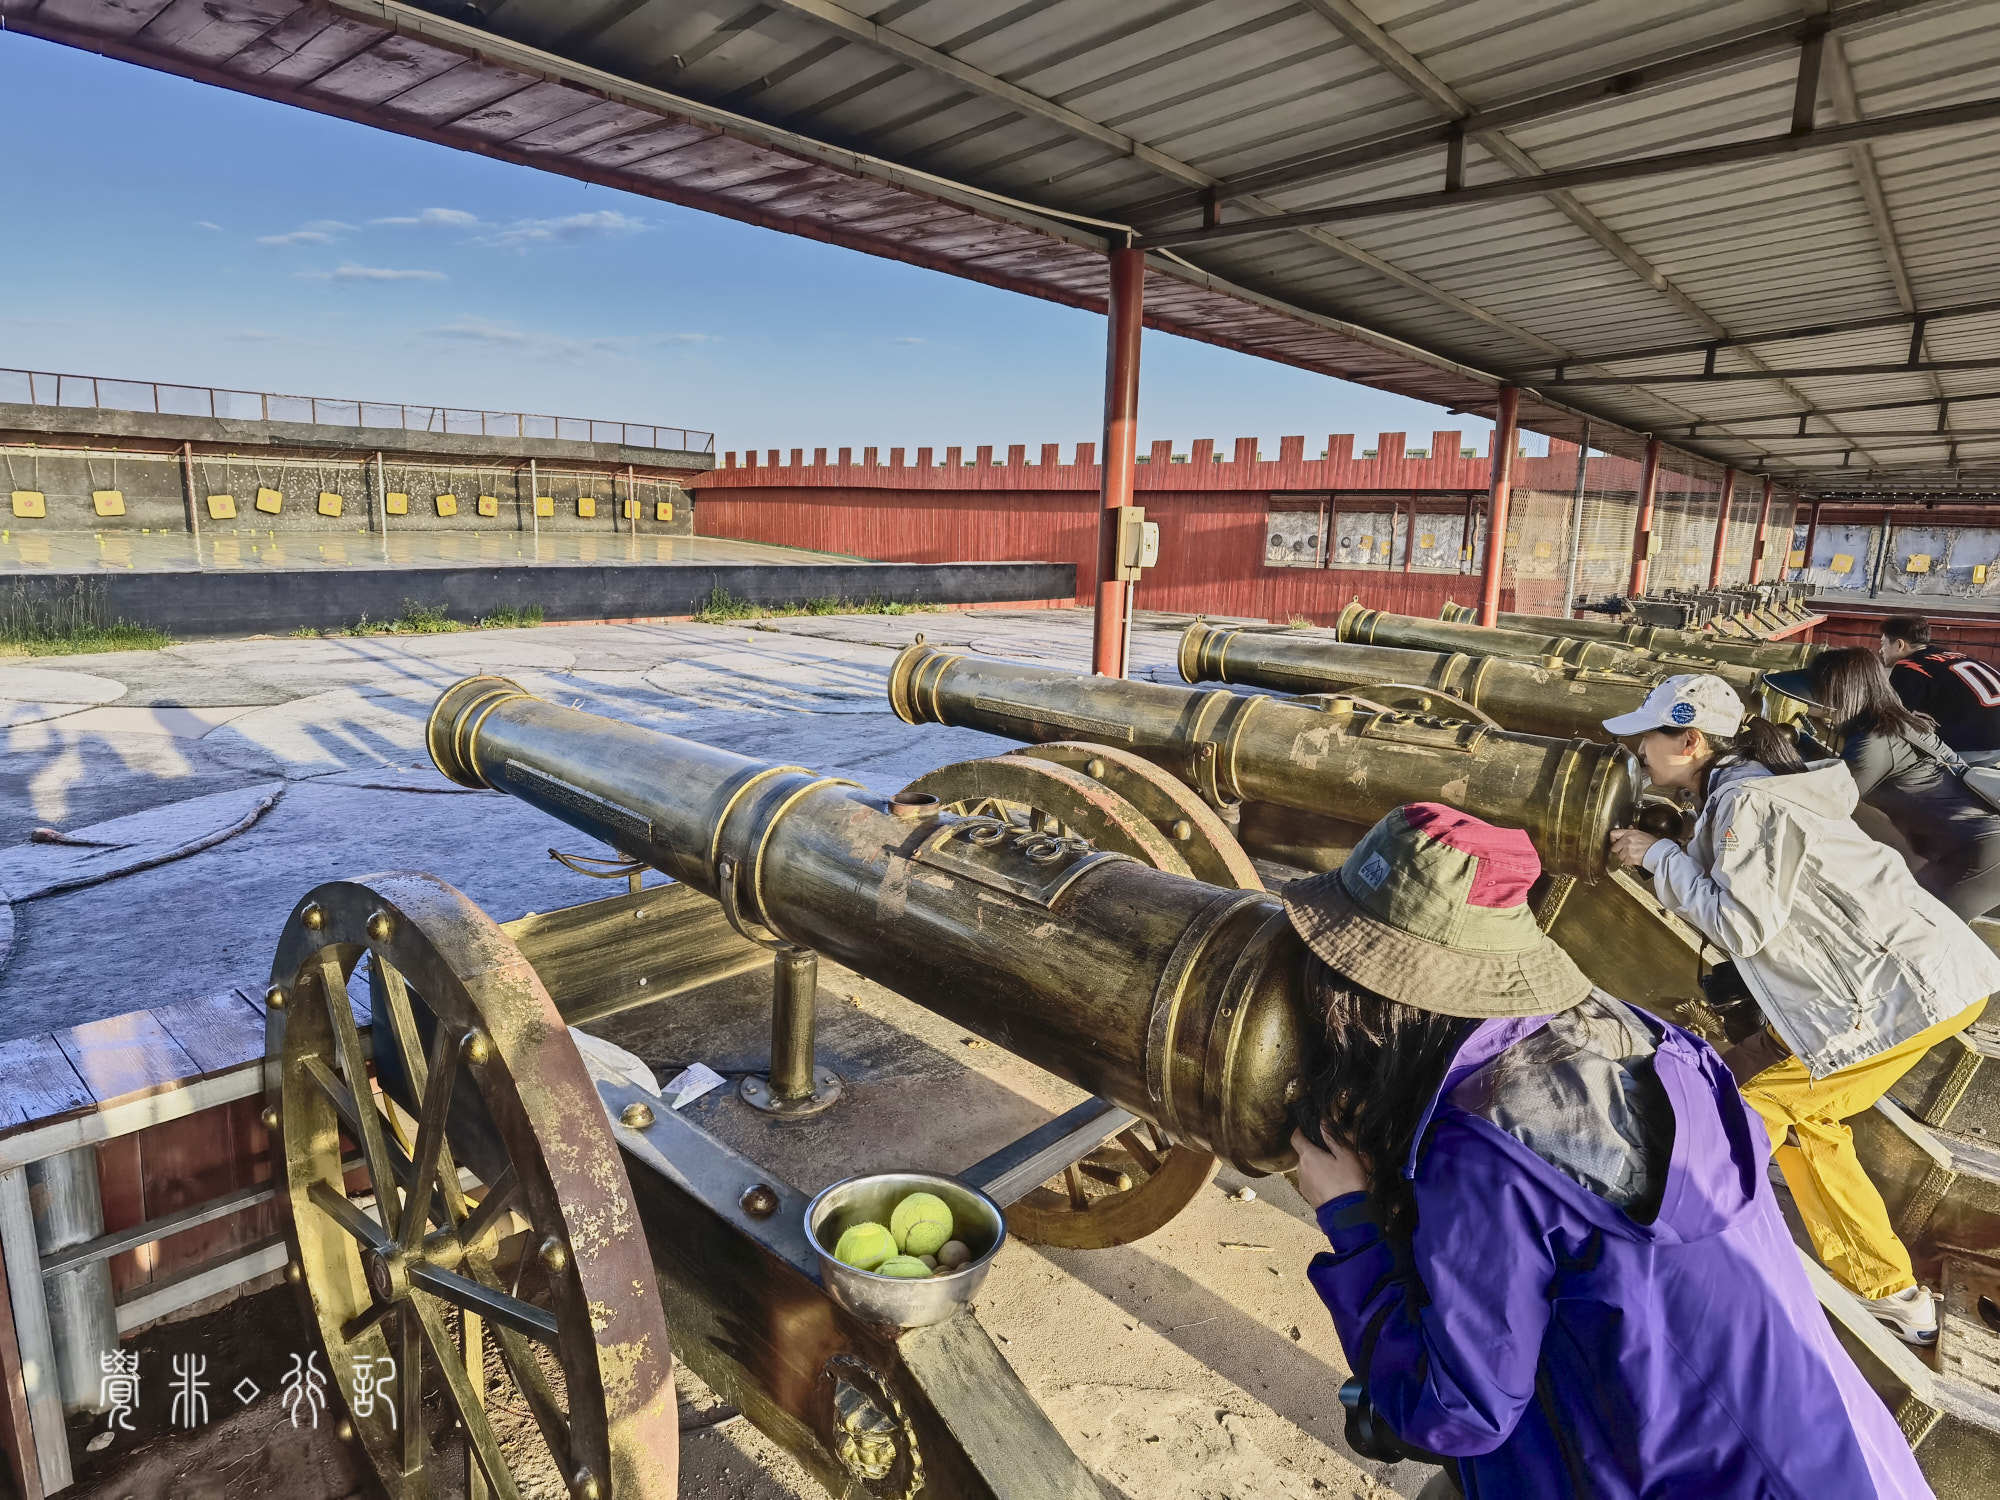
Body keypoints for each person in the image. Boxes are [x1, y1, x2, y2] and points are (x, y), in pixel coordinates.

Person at [1288, 802, 1932, 1500]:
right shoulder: (1637, 1035)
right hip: (1838, 1454)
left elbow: (1457, 1409)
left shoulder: (1482, 1145)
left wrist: (1351, 1219)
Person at [1602, 673, 2000, 1345]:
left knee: (1728, 1110)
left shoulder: (1746, 805)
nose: (1638, 750)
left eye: (1647, 738)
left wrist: (1657, 855)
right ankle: (1892, 1295)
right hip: (1917, 982)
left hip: (1885, 997)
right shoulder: (1753, 790)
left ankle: (1676, 1273)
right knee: (1810, 1127)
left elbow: (1742, 922)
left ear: (1690, 740)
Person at [1766, 647, 2000, 920]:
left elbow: (1828, 800)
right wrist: (1800, 740)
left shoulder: (1875, 741)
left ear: (1843, 693)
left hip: (1979, 853)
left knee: (1916, 926)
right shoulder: (1897, 724)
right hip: (1974, 844)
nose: (1812, 702)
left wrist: (1772, 754)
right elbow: (1843, 772)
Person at [1879, 615, 2000, 764]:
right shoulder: (1956, 655)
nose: (1880, 650)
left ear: (1899, 645)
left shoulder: (1907, 666)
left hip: (1979, 747)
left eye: (1883, 643)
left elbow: (1892, 720)